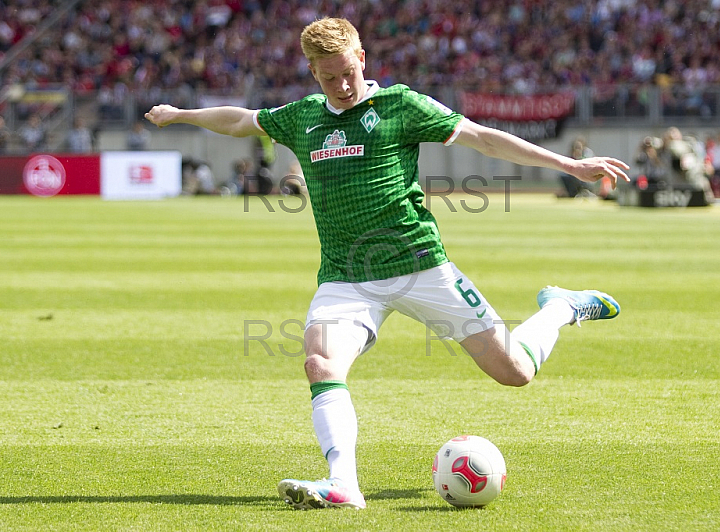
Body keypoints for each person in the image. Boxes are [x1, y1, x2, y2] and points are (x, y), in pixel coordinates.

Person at [144, 17, 629, 511]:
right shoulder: (302, 116)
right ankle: (343, 485)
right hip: (346, 279)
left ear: (362, 60)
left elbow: (483, 138)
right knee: (320, 362)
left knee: (515, 372)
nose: (342, 84)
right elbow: (240, 120)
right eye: (329, 77)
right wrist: (182, 115)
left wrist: (569, 165)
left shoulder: (401, 105)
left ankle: (562, 307)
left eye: (348, 71)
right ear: (313, 73)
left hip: (421, 266)